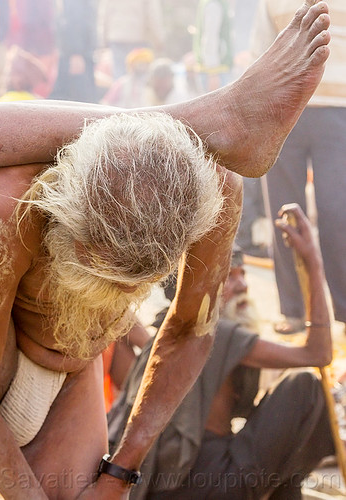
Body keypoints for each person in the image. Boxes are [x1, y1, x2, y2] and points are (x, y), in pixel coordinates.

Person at [0, 3, 331, 498]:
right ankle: (201, 118)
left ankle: (198, 121)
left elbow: (192, 329)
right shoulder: (13, 201)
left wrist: (121, 470)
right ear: (74, 230)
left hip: (66, 378)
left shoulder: (215, 191)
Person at [109, 203, 335, 499]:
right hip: (206, 483)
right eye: (230, 277)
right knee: (303, 387)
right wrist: (313, 263)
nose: (242, 286)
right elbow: (318, 354)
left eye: (244, 275)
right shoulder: (209, 330)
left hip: (181, 484)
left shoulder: (165, 330)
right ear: (199, 289)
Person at [251, 0, 346, 335]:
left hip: (340, 110)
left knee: (338, 215)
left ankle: (343, 311)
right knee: (284, 212)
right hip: (284, 111)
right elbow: (261, 53)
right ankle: (293, 310)